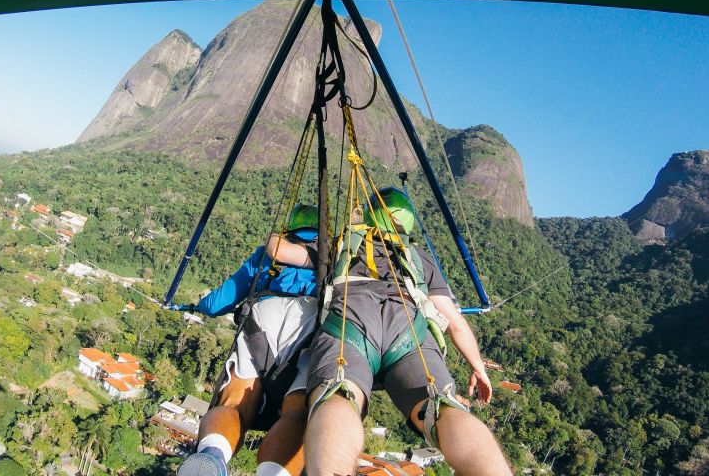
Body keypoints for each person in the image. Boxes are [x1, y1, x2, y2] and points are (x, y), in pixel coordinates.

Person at [303, 187, 512, 476]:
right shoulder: (418, 258)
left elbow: (278, 251)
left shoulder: (339, 245)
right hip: (407, 328)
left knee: (339, 394)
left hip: (351, 319)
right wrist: (478, 367)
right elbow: (454, 321)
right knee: (441, 408)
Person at [176, 204, 321, 476]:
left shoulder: (266, 255)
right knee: (296, 412)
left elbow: (217, 303)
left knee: (235, 402)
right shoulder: (333, 257)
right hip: (310, 322)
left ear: (292, 226)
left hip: (263, 318)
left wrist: (199, 305)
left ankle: (213, 455)